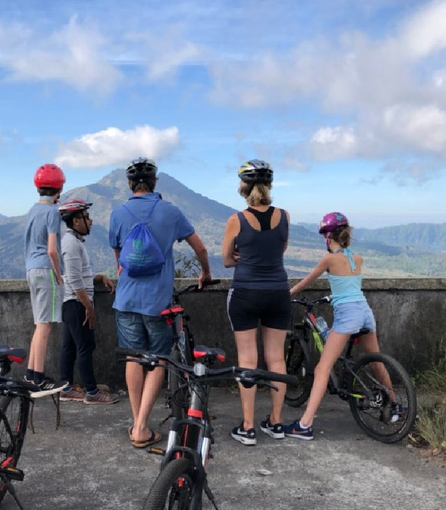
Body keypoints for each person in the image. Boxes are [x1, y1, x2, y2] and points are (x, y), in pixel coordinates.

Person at [109, 157, 212, 448]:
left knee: (133, 358)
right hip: (159, 303)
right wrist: (205, 273)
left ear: (130, 185)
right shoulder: (170, 211)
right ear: (155, 183)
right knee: (159, 359)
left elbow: (119, 259)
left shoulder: (118, 213)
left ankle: (136, 421)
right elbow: (200, 247)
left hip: (127, 299)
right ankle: (142, 426)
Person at [282, 212, 398, 440]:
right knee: (376, 360)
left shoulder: (329, 260)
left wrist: (287, 295)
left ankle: (304, 425)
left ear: (327, 237)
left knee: (322, 369)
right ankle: (395, 405)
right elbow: (348, 287)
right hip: (366, 312)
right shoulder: (358, 257)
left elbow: (307, 282)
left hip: (348, 316)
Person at [222, 159, 291, 446]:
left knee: (248, 359)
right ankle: (276, 422)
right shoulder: (285, 216)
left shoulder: (236, 220)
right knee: (276, 357)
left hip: (246, 292)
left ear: (244, 188)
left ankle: (248, 427)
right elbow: (280, 251)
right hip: (278, 292)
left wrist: (241, 256)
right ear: (270, 186)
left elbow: (227, 260)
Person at [57, 199, 120, 405]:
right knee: (86, 346)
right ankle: (92, 392)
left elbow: (80, 275)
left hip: (71, 304)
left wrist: (99, 277)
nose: (90, 221)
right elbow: (74, 280)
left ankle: (66, 388)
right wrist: (89, 307)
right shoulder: (71, 243)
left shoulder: (72, 241)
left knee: (70, 347)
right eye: (86, 217)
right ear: (76, 221)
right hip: (77, 304)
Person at [24, 163, 69, 396]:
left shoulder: (33, 210)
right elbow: (53, 249)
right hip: (46, 270)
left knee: (39, 324)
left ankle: (31, 373)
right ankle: (39, 378)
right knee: (46, 325)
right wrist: (59, 276)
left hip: (31, 270)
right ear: (59, 187)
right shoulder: (52, 213)